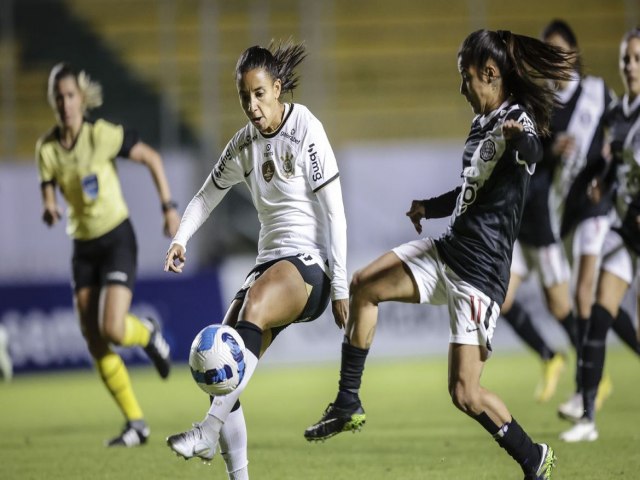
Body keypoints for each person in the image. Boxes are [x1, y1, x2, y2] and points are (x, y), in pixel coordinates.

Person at [304, 30, 574, 480]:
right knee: (363, 285)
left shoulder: (517, 119)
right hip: (448, 251)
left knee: (465, 393)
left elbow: (531, 150)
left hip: (480, 274)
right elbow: (471, 191)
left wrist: (519, 139)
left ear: (490, 74)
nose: (461, 88)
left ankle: (534, 458)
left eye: (466, 78)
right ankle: (347, 402)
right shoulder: (481, 125)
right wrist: (430, 207)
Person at [163, 40, 348, 480]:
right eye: (244, 96)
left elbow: (334, 212)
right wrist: (180, 238)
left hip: (309, 266)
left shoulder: (305, 128)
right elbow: (206, 196)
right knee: (221, 370)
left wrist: (341, 284)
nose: (252, 105)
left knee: (248, 315)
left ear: (277, 88)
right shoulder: (243, 144)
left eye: (260, 93)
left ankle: (207, 433)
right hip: (269, 264)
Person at [36, 63, 179, 446]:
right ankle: (137, 424)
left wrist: (168, 205)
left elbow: (151, 157)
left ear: (81, 100)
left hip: (116, 237)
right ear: (53, 103)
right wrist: (49, 207)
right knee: (94, 339)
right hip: (83, 248)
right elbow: (47, 187)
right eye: (59, 97)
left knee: (113, 328)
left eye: (70, 95)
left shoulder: (101, 136)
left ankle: (146, 333)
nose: (65, 103)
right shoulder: (47, 149)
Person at [559, 27, 640, 443]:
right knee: (597, 313)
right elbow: (615, 164)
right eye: (626, 58)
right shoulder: (620, 113)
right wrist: (602, 184)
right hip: (628, 231)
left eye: (637, 59)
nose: (629, 65)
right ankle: (588, 419)